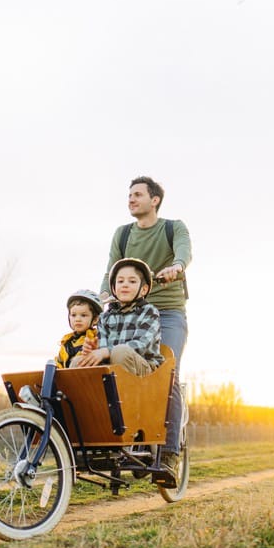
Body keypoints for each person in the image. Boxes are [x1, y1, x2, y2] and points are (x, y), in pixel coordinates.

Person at [98, 176, 191, 471]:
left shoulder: (172, 227)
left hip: (167, 312)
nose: (131, 199)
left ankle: (170, 451)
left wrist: (176, 268)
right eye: (129, 195)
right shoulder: (123, 234)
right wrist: (100, 297)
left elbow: (184, 254)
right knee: (115, 366)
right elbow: (111, 270)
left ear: (155, 200)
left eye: (137, 195)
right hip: (129, 311)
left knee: (166, 372)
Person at [75, 258, 163, 375]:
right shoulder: (105, 317)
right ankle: (90, 393)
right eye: (120, 281)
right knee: (78, 362)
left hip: (144, 370)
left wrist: (106, 351)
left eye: (132, 281)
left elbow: (140, 345)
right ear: (114, 288)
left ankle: (126, 391)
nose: (125, 285)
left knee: (120, 352)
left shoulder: (149, 312)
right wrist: (95, 350)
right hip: (113, 368)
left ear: (143, 289)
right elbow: (104, 350)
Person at [55, 289, 103, 369]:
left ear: (95, 319)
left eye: (83, 315)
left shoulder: (96, 338)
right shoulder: (66, 342)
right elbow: (59, 363)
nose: (78, 319)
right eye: (73, 315)